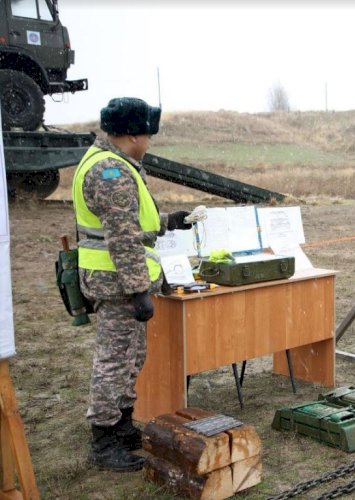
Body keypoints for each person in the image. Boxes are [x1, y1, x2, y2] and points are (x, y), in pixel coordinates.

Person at [72, 97, 194, 471]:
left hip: (119, 280)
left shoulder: (114, 163)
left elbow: (131, 220)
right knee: (113, 362)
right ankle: (104, 440)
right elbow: (123, 237)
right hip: (117, 283)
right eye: (147, 134)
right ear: (131, 135)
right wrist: (140, 289)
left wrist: (169, 220)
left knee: (131, 357)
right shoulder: (110, 171)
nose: (149, 142)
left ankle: (123, 425)